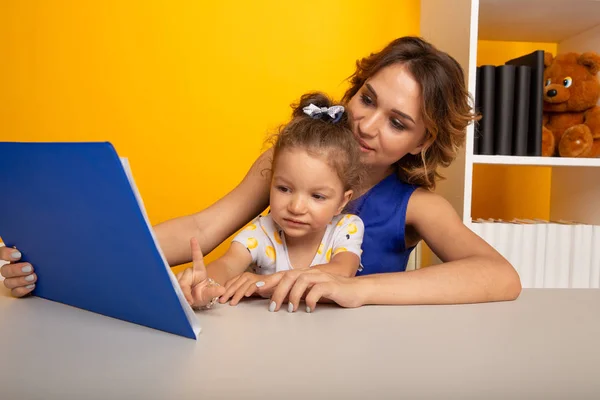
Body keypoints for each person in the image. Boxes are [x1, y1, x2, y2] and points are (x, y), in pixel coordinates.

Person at [1, 36, 522, 311]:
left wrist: (361, 290)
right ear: (355, 86)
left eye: (398, 122)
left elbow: (501, 277)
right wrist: (71, 257)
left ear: (423, 141)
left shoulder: (418, 205)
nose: (366, 123)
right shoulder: (288, 164)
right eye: (366, 98)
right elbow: (201, 231)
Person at [176, 93, 366, 312]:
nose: (296, 208)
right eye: (284, 189)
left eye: (317, 196)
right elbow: (228, 264)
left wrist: (267, 283)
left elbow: (343, 270)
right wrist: (204, 285)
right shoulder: (263, 232)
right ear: (271, 182)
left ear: (342, 202)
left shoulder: (346, 228)